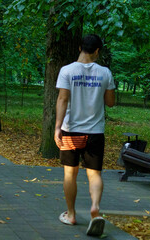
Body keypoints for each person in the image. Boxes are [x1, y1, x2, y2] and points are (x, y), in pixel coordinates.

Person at [54, 34, 115, 236]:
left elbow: (62, 100)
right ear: (97, 51)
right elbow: (110, 102)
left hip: (71, 131)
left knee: (70, 173)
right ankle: (95, 208)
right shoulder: (105, 73)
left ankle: (71, 215)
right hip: (95, 133)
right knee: (94, 174)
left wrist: (57, 127)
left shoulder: (67, 71)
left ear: (80, 47)